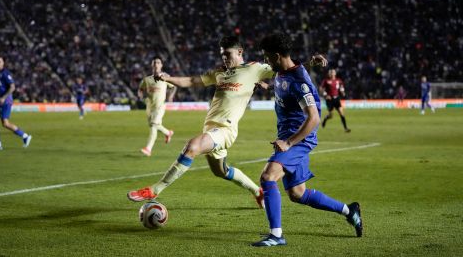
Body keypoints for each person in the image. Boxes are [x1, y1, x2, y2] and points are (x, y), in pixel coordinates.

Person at [127, 36, 273, 207]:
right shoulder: (220, 72)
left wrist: (311, 63)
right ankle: (258, 192)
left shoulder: (254, 69)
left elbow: (287, 67)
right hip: (211, 130)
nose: (224, 58)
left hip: (226, 130)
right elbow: (191, 81)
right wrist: (168, 78)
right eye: (222, 55)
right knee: (221, 171)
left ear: (240, 52)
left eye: (227, 54)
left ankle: (154, 189)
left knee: (192, 147)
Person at [251, 33, 362, 247]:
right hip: (289, 136)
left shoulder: (299, 81)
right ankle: (350, 211)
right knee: (297, 194)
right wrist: (267, 86)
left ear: (276, 56)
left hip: (299, 138)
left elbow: (314, 118)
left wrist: (289, 142)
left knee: (268, 176)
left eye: (267, 57)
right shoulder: (284, 71)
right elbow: (287, 83)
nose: (265, 61)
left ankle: (276, 235)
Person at [0, 55, 32, 150]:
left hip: (5, 101)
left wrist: (4, 97)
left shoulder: (5, 73)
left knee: (5, 123)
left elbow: (12, 87)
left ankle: (25, 136)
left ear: (3, 63)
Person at [138, 56, 177, 156]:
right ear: (152, 65)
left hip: (160, 106)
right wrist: (141, 96)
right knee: (153, 125)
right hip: (150, 106)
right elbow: (140, 89)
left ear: (161, 65)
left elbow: (173, 87)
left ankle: (148, 148)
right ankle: (168, 133)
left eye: (158, 62)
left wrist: (171, 96)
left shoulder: (165, 77)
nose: (156, 64)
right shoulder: (147, 79)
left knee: (154, 126)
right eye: (154, 62)